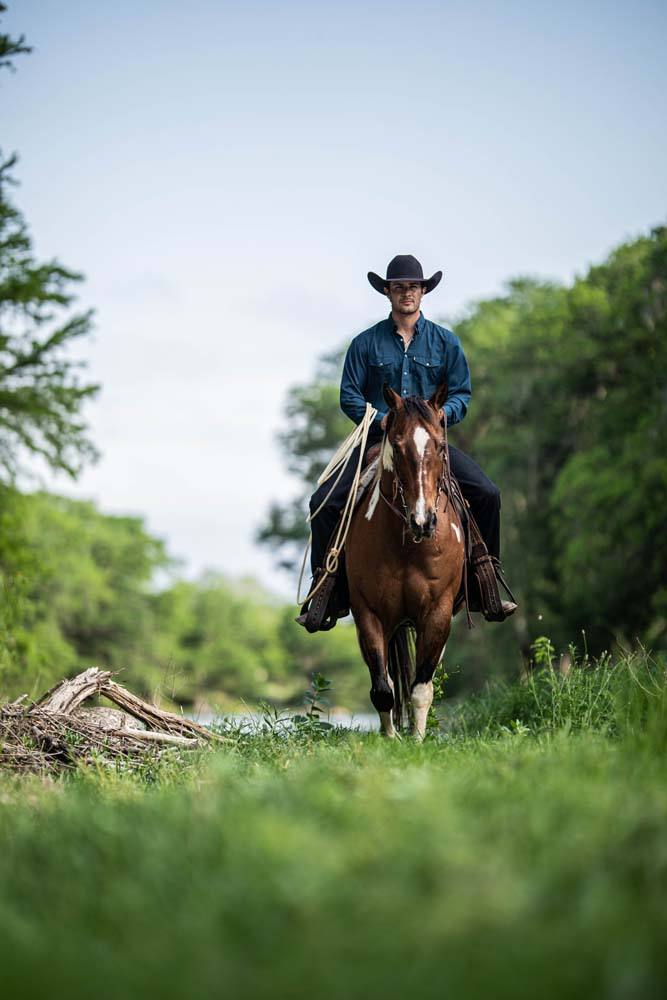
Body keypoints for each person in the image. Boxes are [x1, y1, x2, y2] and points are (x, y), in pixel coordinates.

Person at [296, 254, 517, 629]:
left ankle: (485, 583)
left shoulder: (446, 343)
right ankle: (326, 592)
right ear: (388, 292)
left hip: (430, 446)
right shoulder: (364, 344)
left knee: (487, 493)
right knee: (323, 502)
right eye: (399, 287)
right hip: (378, 444)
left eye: (413, 287)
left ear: (423, 291)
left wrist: (443, 415)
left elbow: (462, 393)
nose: (406, 294)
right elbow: (349, 395)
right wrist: (382, 419)